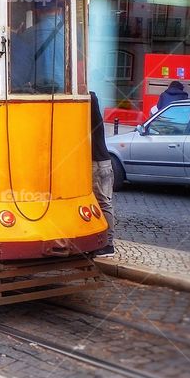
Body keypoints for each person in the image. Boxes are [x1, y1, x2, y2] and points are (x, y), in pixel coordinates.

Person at [89, 91, 115, 256]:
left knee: (104, 203)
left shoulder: (89, 113)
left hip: (98, 164)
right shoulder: (95, 118)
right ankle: (106, 241)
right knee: (105, 202)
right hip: (103, 162)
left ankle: (108, 244)